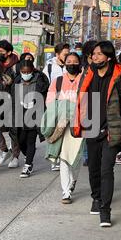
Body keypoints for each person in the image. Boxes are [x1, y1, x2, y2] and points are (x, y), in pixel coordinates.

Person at [72, 41, 121, 227]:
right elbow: (80, 97)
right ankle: (96, 198)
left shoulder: (119, 75)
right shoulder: (88, 73)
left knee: (107, 170)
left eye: (99, 54)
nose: (95, 57)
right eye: (93, 54)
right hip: (91, 128)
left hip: (110, 129)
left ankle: (105, 211)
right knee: (93, 169)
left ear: (108, 56)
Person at [42, 52, 84, 204]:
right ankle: (66, 192)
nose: (72, 64)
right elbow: (50, 102)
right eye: (69, 61)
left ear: (79, 64)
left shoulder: (84, 80)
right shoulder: (57, 82)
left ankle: (73, 180)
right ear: (65, 64)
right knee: (64, 158)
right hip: (61, 125)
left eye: (75, 61)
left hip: (79, 125)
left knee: (77, 157)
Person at [12, 60, 49, 178]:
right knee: (21, 140)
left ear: (32, 71)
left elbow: (44, 95)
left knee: (30, 141)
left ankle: (28, 165)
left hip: (34, 115)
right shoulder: (17, 81)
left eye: (28, 72)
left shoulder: (39, 81)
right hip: (20, 115)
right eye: (23, 72)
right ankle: (28, 155)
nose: (25, 74)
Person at [43, 43, 70, 171]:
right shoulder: (49, 67)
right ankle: (54, 158)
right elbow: (44, 85)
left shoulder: (71, 66)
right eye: (65, 54)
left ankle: (62, 158)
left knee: (65, 132)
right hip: (54, 103)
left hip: (68, 103)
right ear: (58, 55)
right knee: (54, 131)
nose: (67, 56)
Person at [0, 40, 20, 168]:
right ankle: (5, 151)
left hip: (13, 101)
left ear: (9, 52)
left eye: (1, 52)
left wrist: (12, 84)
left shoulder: (17, 66)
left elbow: (22, 83)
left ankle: (15, 156)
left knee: (13, 131)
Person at [81, 40, 98, 166]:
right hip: (84, 101)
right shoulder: (81, 67)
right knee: (86, 132)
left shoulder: (102, 66)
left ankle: (96, 154)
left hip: (99, 101)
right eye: (94, 53)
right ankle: (87, 156)